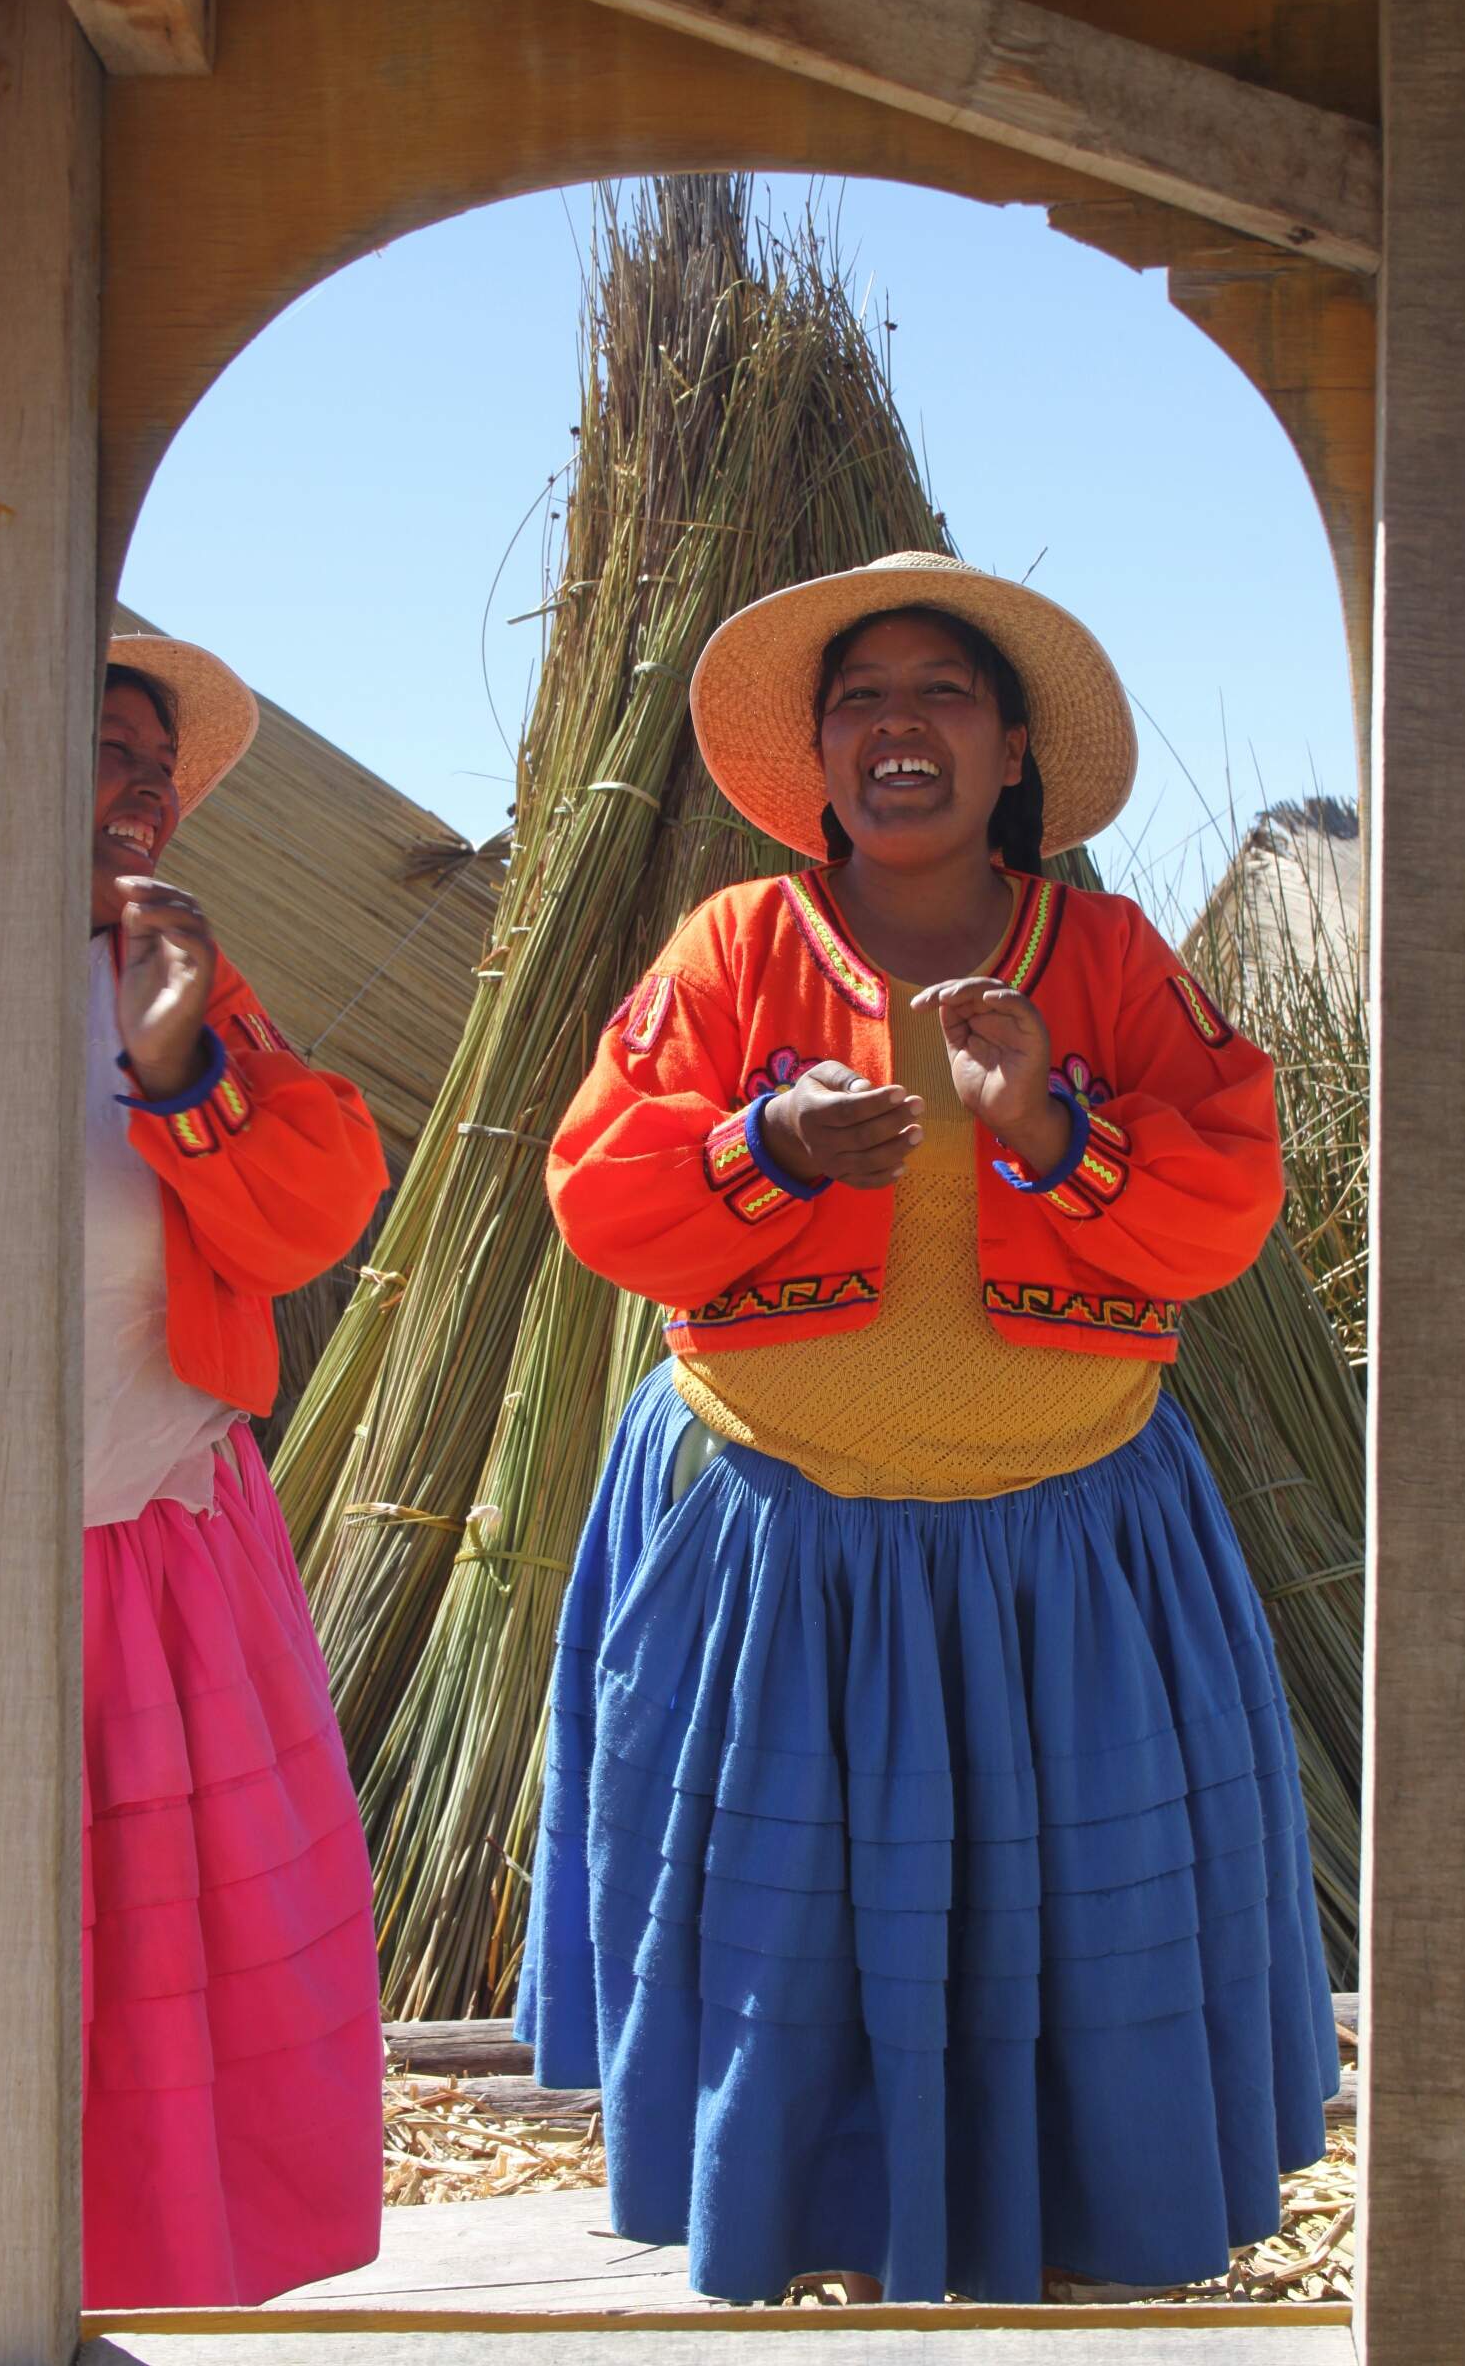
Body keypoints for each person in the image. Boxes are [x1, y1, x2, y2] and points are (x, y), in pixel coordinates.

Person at [516, 550, 1339, 2306]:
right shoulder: (734, 950)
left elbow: (1227, 1202)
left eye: (943, 693)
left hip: (1072, 1551)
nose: (901, 725)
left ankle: (1065, 2242)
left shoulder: (1110, 961)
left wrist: (1048, 1119)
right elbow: (600, 1191)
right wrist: (768, 1150)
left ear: (1014, 749)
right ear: (817, 759)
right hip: (779, 1545)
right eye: (863, 699)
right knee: (787, 1942)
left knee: (1064, 1934)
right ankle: (805, 2238)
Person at [84, 634, 389, 2306]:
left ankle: (97, 2289)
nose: (140, 787)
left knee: (143, 1964)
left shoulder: (183, 978)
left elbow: (311, 1212)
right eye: (98, 746)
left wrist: (185, 1069)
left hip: (147, 1556)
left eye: (155, 763)